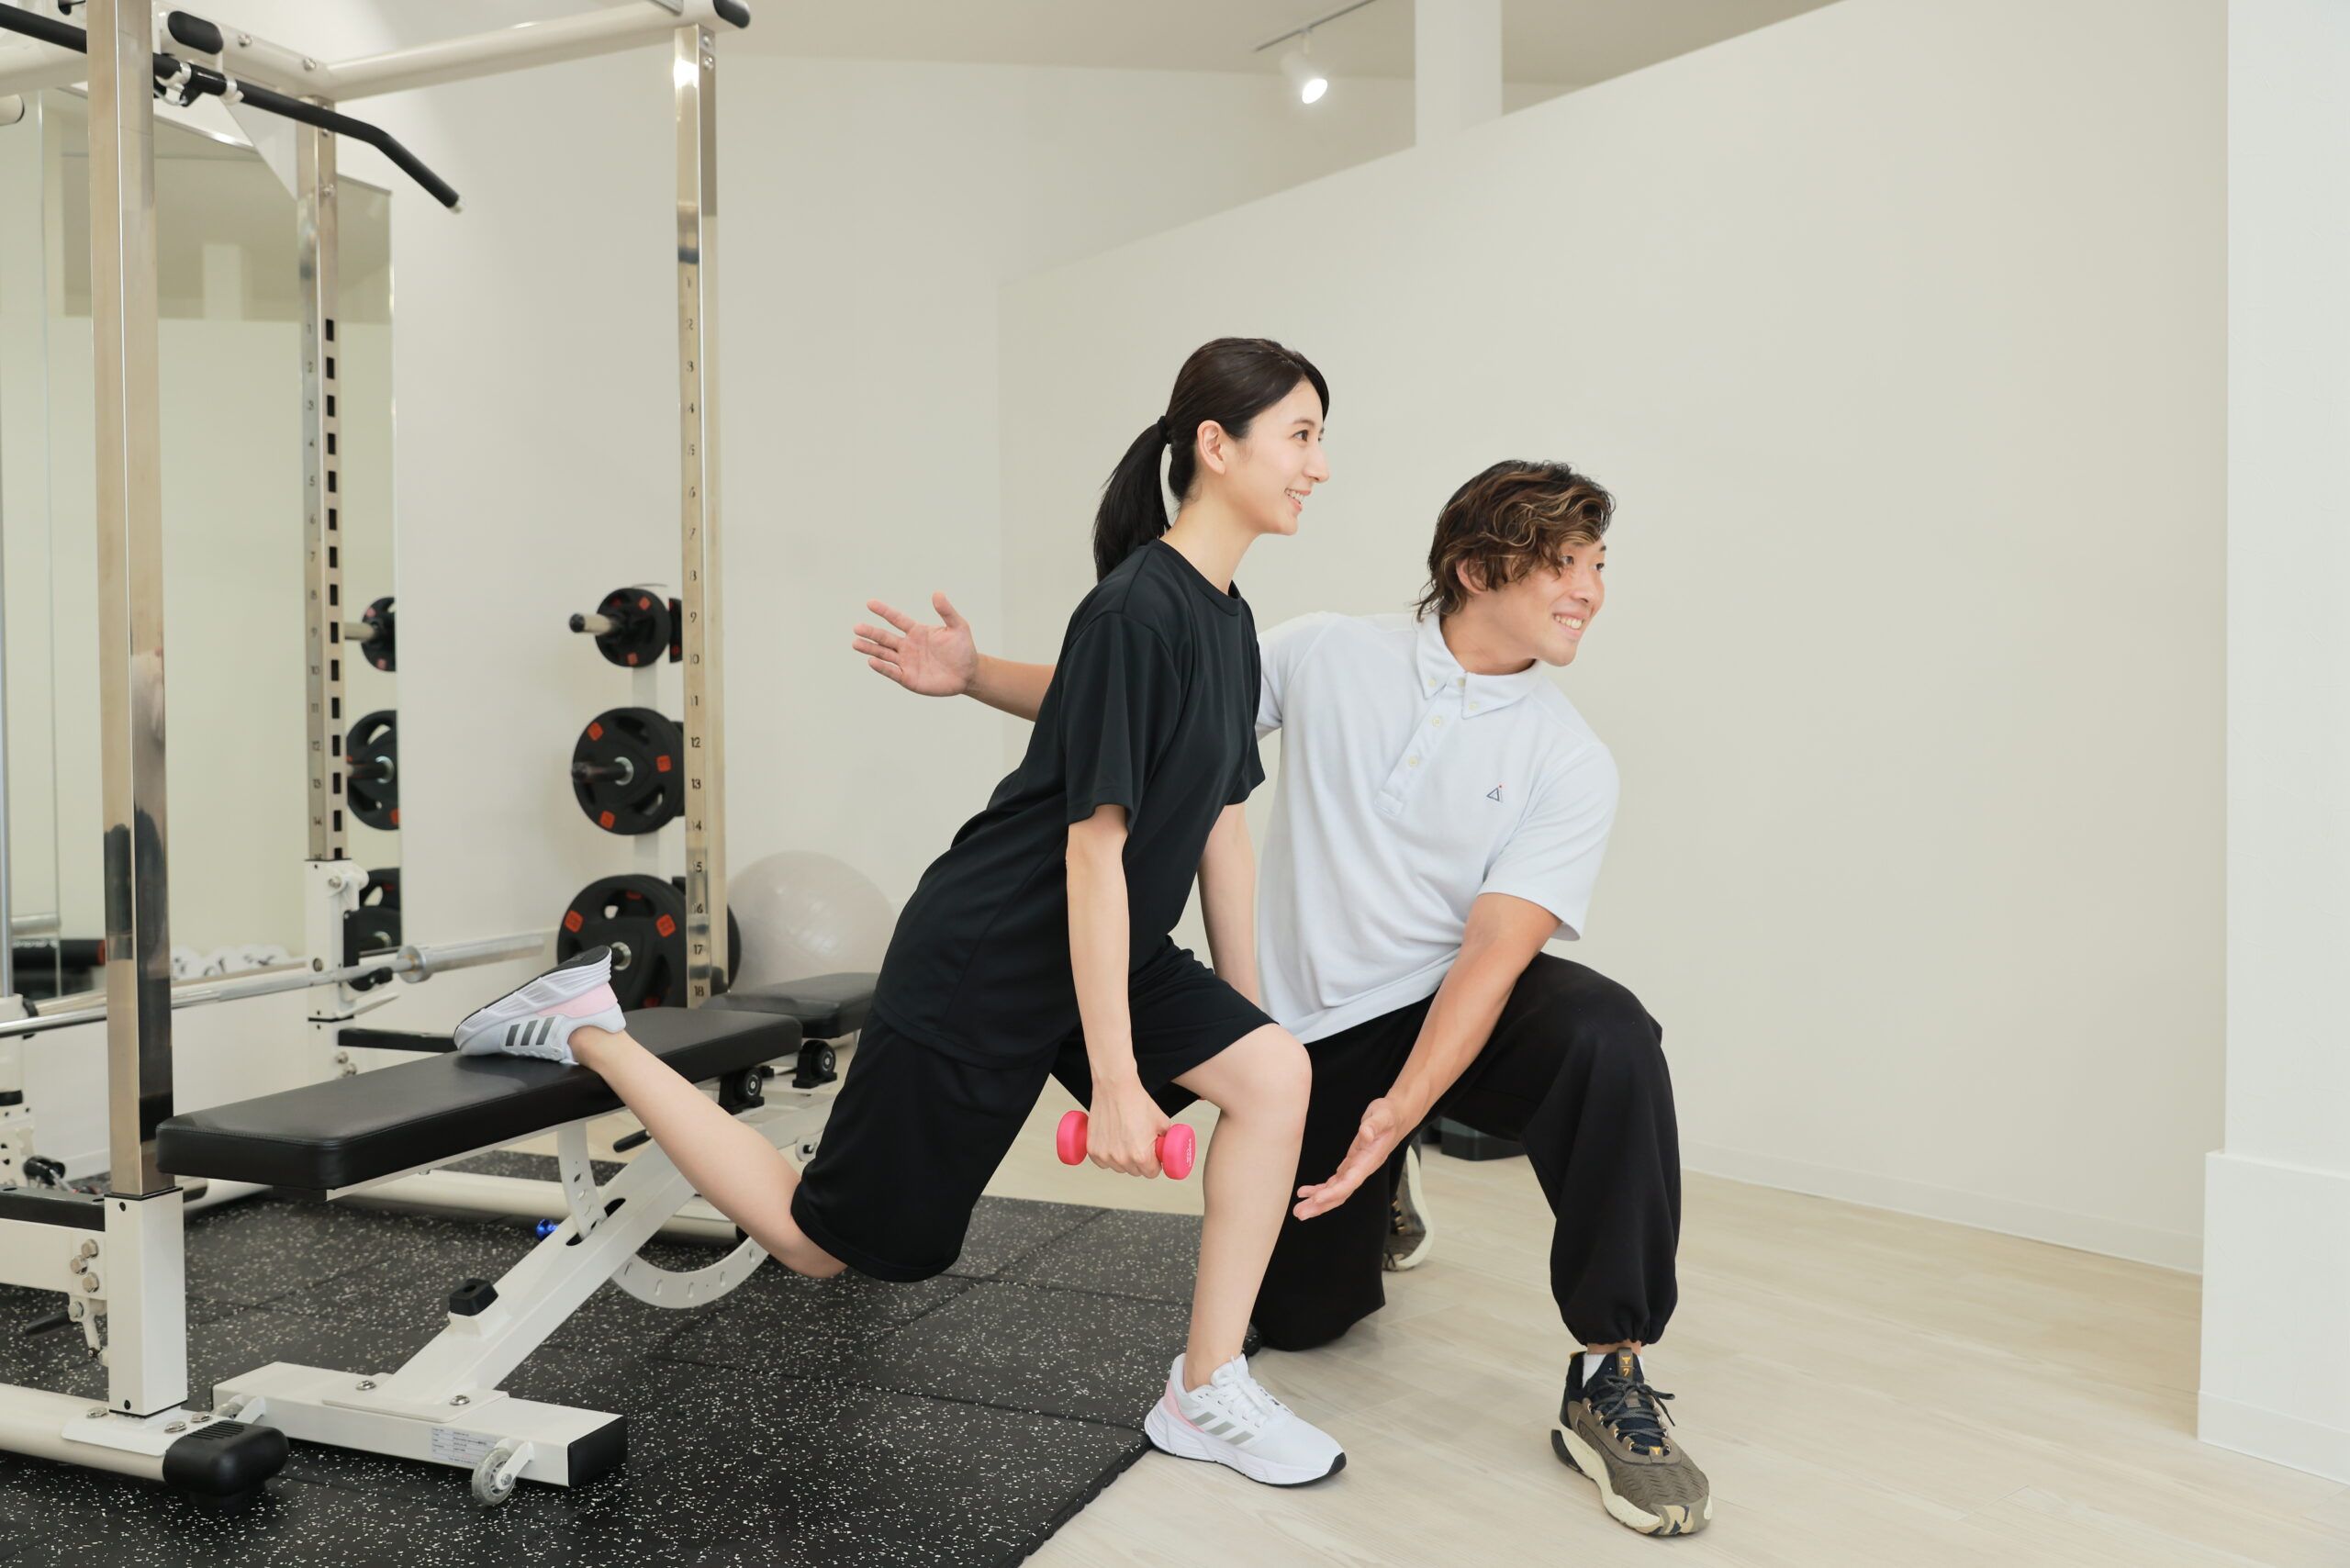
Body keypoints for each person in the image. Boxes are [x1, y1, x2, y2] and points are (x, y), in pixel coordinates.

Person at [453, 337, 1348, 1488]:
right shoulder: (1136, 607)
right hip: (993, 952)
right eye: (1302, 436)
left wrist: (1246, 1013)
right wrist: (1120, 1081)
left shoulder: (1222, 618)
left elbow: (1220, 815)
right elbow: (1091, 850)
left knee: (1275, 1075)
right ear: (1216, 446)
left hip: (1104, 943)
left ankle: (1205, 1386)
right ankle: (590, 1028)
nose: (1319, 465)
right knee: (824, 1243)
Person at [853, 459, 1710, 1537]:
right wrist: (975, 673)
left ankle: (1608, 1366)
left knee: (1609, 1032)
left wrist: (1400, 1108)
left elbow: (1494, 951)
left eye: (1597, 566)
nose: (1588, 589)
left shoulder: (1568, 757)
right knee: (1303, 1321)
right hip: (1308, 1035)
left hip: (1445, 1005)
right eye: (1563, 562)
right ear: (1474, 567)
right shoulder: (1326, 652)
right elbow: (1138, 701)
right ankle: (1379, 1193)